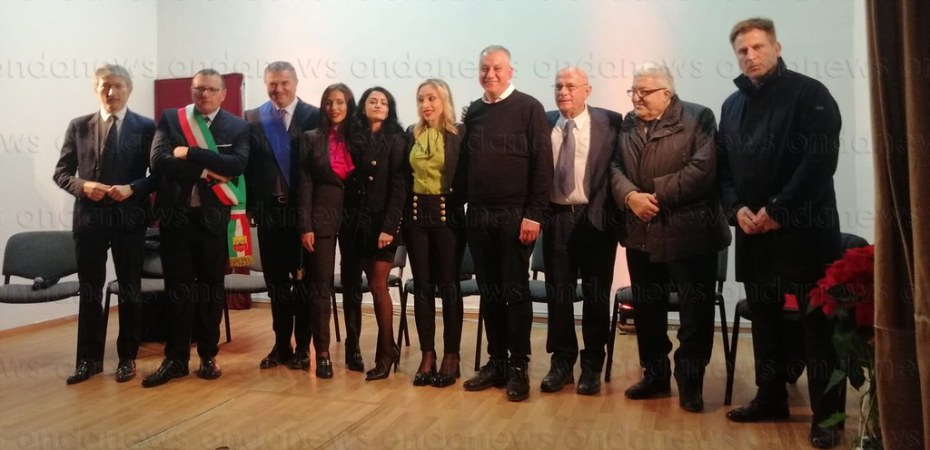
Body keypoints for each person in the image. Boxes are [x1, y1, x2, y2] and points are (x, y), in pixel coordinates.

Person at [718, 18, 844, 449]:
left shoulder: (811, 94)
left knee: (817, 326)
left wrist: (778, 210)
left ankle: (829, 417)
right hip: (753, 232)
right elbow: (724, 170)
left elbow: (819, 162)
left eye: (758, 47)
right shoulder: (731, 106)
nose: (750, 55)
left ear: (777, 47)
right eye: (742, 50)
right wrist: (736, 209)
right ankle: (771, 398)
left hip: (806, 231)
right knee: (765, 321)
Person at [610, 62, 731, 412]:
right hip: (641, 230)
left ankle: (690, 381)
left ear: (667, 92)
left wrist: (656, 196)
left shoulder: (698, 117)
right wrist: (631, 196)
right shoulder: (628, 123)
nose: (636, 98)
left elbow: (703, 170)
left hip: (690, 233)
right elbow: (614, 167)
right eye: (633, 91)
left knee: (695, 313)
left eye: (643, 91)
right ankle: (655, 375)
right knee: (648, 309)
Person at [143, 69, 249, 388]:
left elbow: (237, 165)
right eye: (199, 88)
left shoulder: (238, 126)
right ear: (192, 91)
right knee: (178, 290)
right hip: (175, 218)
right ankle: (176, 359)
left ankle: (207, 355)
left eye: (211, 89)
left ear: (223, 94)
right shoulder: (171, 119)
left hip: (213, 220)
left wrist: (190, 154)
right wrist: (208, 170)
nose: (204, 94)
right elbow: (158, 162)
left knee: (210, 290)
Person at [53, 64, 156, 385]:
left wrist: (133, 188)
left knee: (130, 289)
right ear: (95, 89)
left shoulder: (147, 127)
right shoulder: (78, 126)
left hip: (130, 220)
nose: (111, 92)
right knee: (90, 291)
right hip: (89, 221)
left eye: (117, 86)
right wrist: (83, 186)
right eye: (104, 86)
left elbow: (158, 175)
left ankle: (127, 358)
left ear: (129, 89)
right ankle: (89, 360)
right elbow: (61, 173)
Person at [460, 45, 552, 402]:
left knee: (515, 292)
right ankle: (496, 362)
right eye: (484, 68)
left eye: (497, 67)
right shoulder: (474, 112)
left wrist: (533, 214)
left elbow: (542, 165)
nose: (490, 74)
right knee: (490, 292)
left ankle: (518, 366)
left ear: (511, 71)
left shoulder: (529, 108)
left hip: (516, 216)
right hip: (479, 215)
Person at [540, 67, 621, 396]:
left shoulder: (611, 122)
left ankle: (592, 365)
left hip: (596, 219)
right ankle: (561, 362)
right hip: (557, 218)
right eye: (558, 86)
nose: (563, 91)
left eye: (570, 86)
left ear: (587, 90)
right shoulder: (544, 122)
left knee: (596, 295)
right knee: (558, 294)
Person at [244, 61, 320, 372]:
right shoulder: (252, 117)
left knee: (303, 283)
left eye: (284, 83)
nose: (278, 89)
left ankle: (303, 347)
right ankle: (281, 345)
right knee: (276, 283)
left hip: (303, 216)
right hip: (269, 214)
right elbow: (247, 167)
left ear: (296, 83)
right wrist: (249, 207)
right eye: (272, 84)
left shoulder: (315, 116)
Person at [339, 86, 407, 381]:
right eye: (372, 101)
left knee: (378, 286)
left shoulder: (397, 139)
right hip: (352, 224)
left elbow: (400, 187)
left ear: (390, 109)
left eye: (384, 102)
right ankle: (353, 348)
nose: (378, 105)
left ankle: (386, 352)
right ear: (363, 106)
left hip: (382, 226)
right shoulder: (350, 137)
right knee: (352, 285)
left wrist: (389, 227)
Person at [403, 79, 466, 388]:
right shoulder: (412, 134)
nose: (426, 105)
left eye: (432, 98)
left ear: (444, 100)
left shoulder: (458, 134)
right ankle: (427, 354)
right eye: (421, 99)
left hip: (447, 217)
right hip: (416, 217)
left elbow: (466, 177)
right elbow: (403, 179)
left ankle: (451, 356)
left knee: (449, 287)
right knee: (423, 288)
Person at [298, 83, 357, 378]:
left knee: (352, 283)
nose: (334, 108)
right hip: (320, 217)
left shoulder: (360, 138)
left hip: (355, 217)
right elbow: (305, 183)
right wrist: (305, 225)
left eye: (340, 102)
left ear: (349, 105)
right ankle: (321, 353)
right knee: (320, 286)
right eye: (329, 102)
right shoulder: (311, 138)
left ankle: (353, 347)